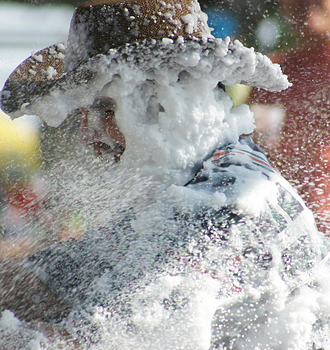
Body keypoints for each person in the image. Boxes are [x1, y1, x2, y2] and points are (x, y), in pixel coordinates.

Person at [0, 0, 329, 348]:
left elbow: (76, 342)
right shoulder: (190, 185)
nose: (88, 137)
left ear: (169, 104)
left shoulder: (221, 205)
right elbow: (45, 279)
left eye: (105, 110)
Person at [249, 0, 330, 234]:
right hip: (287, 214)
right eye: (301, 9)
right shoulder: (274, 69)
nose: (310, 18)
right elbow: (245, 138)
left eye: (319, 6)